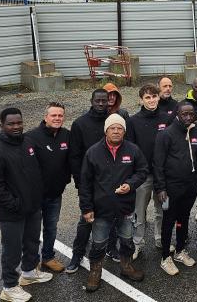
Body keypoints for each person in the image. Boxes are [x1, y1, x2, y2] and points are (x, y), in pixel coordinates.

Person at [0, 108, 53, 302]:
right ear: (2, 125)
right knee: (12, 250)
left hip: (32, 207)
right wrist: (15, 204)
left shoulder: (28, 143)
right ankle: (9, 287)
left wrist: (36, 198)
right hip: (11, 213)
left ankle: (29, 272)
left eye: (19, 123)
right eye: (11, 124)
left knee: (31, 241)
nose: (16, 127)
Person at [79, 114, 148, 292]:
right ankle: (95, 272)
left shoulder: (133, 150)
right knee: (99, 243)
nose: (116, 131)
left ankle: (126, 267)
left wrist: (130, 185)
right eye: (112, 128)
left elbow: (142, 171)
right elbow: (85, 183)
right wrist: (86, 208)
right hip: (101, 209)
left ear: (124, 131)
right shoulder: (93, 152)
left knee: (126, 240)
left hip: (125, 207)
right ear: (106, 130)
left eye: (120, 128)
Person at [67, 89, 120, 272]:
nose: (100, 104)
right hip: (88, 181)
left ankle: (111, 248)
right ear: (91, 101)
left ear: (108, 102)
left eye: (104, 101)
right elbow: (74, 156)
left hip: (111, 180)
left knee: (112, 216)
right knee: (86, 220)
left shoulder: (114, 122)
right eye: (97, 100)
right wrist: (79, 181)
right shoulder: (80, 124)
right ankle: (77, 253)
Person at [153, 102, 197, 275]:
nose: (188, 117)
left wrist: (196, 180)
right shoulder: (166, 135)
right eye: (184, 114)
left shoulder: (196, 132)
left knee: (184, 218)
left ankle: (180, 250)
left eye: (191, 114)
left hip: (189, 186)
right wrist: (160, 188)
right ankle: (165, 256)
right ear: (177, 115)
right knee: (169, 220)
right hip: (171, 187)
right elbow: (157, 164)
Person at [25, 102, 71, 273]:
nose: (57, 118)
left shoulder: (67, 135)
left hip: (55, 194)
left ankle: (48, 257)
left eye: (60, 115)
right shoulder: (31, 137)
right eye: (54, 115)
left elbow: (71, 160)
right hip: (35, 196)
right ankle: (31, 261)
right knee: (32, 230)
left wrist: (66, 179)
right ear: (46, 117)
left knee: (51, 227)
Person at [126, 84, 171, 259]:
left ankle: (160, 238)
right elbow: (130, 149)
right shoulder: (133, 121)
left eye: (154, 96)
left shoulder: (167, 119)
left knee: (162, 210)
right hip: (143, 176)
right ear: (141, 100)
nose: (151, 100)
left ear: (159, 97)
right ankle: (137, 243)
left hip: (162, 175)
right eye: (147, 97)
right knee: (139, 212)